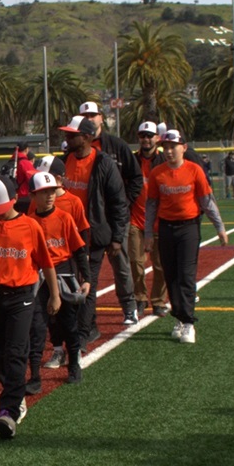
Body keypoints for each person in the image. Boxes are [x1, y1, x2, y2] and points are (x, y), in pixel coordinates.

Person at [0, 175, 60, 439]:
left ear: (15, 200)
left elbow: (47, 264)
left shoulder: (30, 227)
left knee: (17, 351)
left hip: (22, 297)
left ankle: (7, 411)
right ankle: (15, 394)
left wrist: (55, 295)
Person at [143, 130, 230, 345]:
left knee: (186, 275)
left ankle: (189, 322)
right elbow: (152, 205)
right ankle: (179, 318)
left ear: (184, 147)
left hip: (189, 228)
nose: (169, 151)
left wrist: (220, 228)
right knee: (170, 275)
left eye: (174, 146)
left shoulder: (195, 171)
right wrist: (148, 234)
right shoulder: (157, 173)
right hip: (165, 228)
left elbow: (207, 201)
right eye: (166, 147)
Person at [59, 116, 128, 351]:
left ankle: (81, 336)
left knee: (86, 285)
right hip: (66, 236)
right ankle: (90, 326)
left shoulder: (103, 164)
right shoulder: (64, 160)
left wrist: (118, 237)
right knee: (70, 284)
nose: (66, 139)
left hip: (92, 236)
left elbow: (119, 202)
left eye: (71, 135)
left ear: (87, 137)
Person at [79, 101, 141, 324]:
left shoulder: (116, 145)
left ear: (101, 118)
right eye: (85, 115)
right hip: (87, 222)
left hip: (114, 219)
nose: (89, 118)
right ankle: (87, 318)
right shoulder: (75, 148)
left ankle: (129, 307)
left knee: (121, 265)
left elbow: (136, 178)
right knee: (85, 271)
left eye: (93, 114)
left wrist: (124, 203)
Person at [26, 171, 89, 389]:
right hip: (37, 277)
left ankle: (74, 365)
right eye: (44, 192)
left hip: (62, 273)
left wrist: (87, 278)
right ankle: (34, 376)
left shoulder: (64, 218)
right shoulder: (29, 221)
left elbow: (79, 250)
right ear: (34, 195)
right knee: (37, 327)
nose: (50, 196)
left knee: (68, 323)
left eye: (52, 191)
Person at [128, 121, 168, 320]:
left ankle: (159, 301)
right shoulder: (132, 161)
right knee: (135, 261)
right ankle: (140, 297)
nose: (146, 139)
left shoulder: (163, 161)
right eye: (142, 135)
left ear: (157, 138)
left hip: (159, 221)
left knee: (160, 265)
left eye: (149, 135)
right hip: (135, 219)